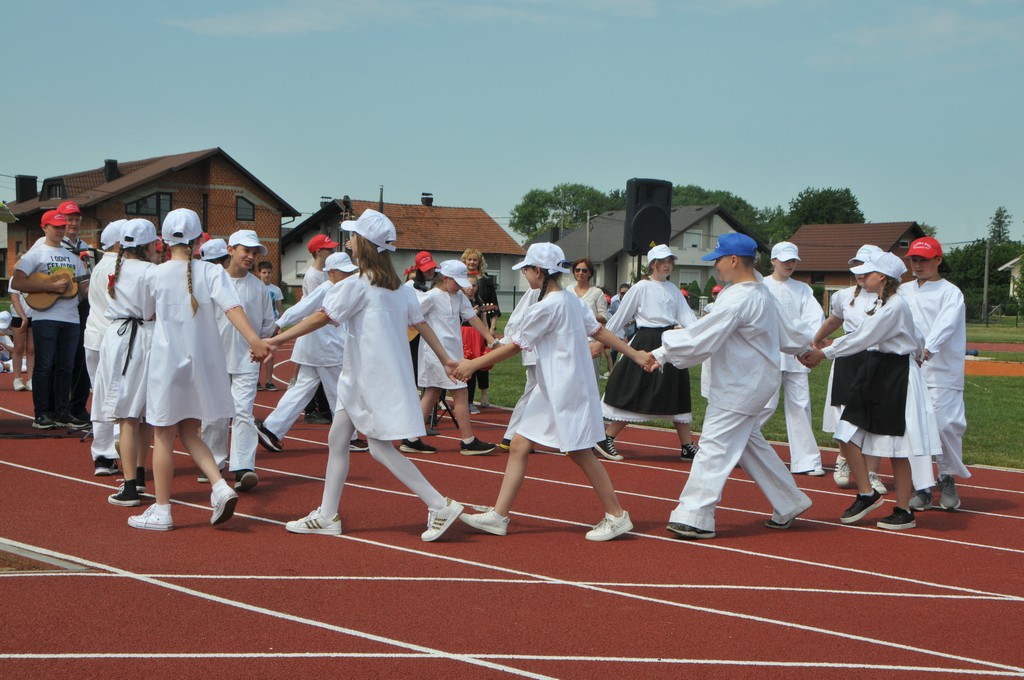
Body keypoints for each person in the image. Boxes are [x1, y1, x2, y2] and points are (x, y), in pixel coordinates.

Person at [267, 209, 464, 542]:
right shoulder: (399, 289)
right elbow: (421, 323)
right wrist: (445, 358)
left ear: (366, 245)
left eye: (354, 236)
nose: (349, 241)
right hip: (361, 378)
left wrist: (275, 339)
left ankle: (438, 504)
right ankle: (328, 514)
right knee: (337, 439)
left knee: (379, 448)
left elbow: (321, 317)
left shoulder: (359, 284)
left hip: (368, 379)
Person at [454, 243, 646, 541]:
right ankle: (499, 516)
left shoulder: (548, 306)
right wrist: (635, 354)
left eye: (528, 270)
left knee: (579, 451)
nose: (526, 276)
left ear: (539, 272)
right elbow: (598, 331)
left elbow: (515, 345)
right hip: (553, 387)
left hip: (564, 388)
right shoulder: (569, 300)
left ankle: (617, 515)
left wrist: (473, 364)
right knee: (519, 444)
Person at [646, 233, 814, 540]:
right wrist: (803, 348)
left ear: (734, 260)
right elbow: (789, 333)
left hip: (740, 384)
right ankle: (789, 501)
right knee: (751, 445)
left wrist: (662, 352)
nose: (716, 267)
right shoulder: (760, 292)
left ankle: (695, 514)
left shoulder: (742, 297)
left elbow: (703, 337)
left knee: (713, 447)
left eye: (719, 260)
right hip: (751, 382)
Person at [127, 209, 272, 531]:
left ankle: (163, 509)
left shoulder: (153, 274)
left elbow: (146, 315)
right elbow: (233, 307)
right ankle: (219, 486)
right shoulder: (212, 273)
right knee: (191, 431)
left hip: (167, 364)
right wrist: (254, 339)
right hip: (204, 364)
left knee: (164, 436)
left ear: (163, 240)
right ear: (198, 239)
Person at [800, 253, 941, 530]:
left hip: (895, 376)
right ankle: (867, 493)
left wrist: (823, 353)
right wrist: (918, 350)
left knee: (900, 449)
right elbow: (912, 335)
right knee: (845, 432)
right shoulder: (883, 302)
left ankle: (903, 510)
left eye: (868, 272)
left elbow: (865, 336)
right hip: (878, 371)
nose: (861, 276)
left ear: (884, 277)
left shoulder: (895, 305)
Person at [595, 245, 699, 462]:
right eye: (662, 261)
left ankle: (687, 446)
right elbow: (621, 316)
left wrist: (700, 332)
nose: (667, 264)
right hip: (647, 342)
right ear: (653, 264)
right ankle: (606, 437)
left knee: (676, 392)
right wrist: (601, 341)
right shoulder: (641, 287)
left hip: (670, 344)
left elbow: (688, 318)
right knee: (637, 391)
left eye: (670, 260)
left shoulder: (673, 290)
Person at [257, 252, 368, 454]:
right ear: (331, 272)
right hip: (326, 350)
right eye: (344, 272)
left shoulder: (340, 288)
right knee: (340, 392)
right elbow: (302, 307)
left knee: (302, 390)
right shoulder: (327, 288)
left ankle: (271, 428)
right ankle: (349, 437)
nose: (349, 275)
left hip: (319, 350)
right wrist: (279, 323)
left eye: (350, 271)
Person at [200, 229, 277, 492]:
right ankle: (213, 462)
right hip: (214, 357)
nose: (251, 256)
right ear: (231, 250)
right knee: (214, 415)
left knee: (243, 412)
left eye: (255, 253)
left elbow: (268, 325)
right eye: (246, 250)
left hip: (247, 360)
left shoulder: (259, 288)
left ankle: (243, 467)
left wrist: (262, 342)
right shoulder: (211, 281)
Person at [901, 237, 971, 511]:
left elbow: (946, 324)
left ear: (938, 260)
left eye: (924, 260)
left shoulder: (950, 292)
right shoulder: (903, 291)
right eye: (914, 260)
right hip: (909, 370)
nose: (918, 265)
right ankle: (922, 486)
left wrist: (928, 350)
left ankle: (947, 476)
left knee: (946, 426)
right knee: (913, 429)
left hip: (943, 372)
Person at [812, 245, 888, 495]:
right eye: (856, 265)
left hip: (876, 359)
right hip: (848, 358)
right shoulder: (843, 296)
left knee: (874, 417)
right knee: (847, 413)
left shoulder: (887, 299)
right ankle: (843, 460)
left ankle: (872, 471)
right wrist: (816, 340)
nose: (859, 271)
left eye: (864, 266)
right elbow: (835, 319)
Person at [401, 260, 498, 455]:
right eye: (457, 281)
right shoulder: (431, 297)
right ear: (445, 279)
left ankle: (411, 438)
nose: (461, 286)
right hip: (436, 354)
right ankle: (468, 441)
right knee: (459, 392)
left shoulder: (459, 296)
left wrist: (490, 339)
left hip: (453, 353)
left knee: (432, 392)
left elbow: (472, 317)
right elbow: (411, 317)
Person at [93, 219, 158, 507]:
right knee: (141, 414)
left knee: (128, 416)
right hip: (144, 337)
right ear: (149, 245)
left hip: (122, 340)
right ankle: (139, 475)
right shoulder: (152, 270)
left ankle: (131, 485)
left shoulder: (115, 268)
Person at [11, 210, 90, 430]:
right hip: (46, 317)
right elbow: (17, 281)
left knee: (66, 366)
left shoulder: (75, 257)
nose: (60, 230)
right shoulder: (35, 254)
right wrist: (49, 286)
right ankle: (41, 414)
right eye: (55, 226)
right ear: (44, 227)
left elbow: (84, 289)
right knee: (44, 366)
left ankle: (62, 412)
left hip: (71, 318)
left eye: (62, 226)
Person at [759, 242, 825, 476]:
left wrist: (806, 343)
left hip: (797, 355)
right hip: (768, 355)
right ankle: (739, 446)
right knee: (764, 404)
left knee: (800, 406)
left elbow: (814, 318)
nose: (789, 264)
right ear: (773, 261)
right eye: (785, 260)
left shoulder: (803, 289)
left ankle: (806, 460)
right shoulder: (761, 285)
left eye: (793, 261)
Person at [84, 220, 128, 476]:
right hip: (115, 339)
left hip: (94, 338)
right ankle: (123, 450)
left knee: (100, 397)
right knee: (123, 399)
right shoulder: (121, 267)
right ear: (118, 243)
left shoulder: (99, 266)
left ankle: (103, 455)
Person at [302, 233, 339, 424]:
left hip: (325, 331)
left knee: (309, 380)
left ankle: (273, 427)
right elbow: (318, 305)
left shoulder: (324, 273)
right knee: (323, 378)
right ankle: (316, 411)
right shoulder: (312, 276)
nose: (333, 251)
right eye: (329, 249)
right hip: (318, 332)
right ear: (318, 252)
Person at [570, 257, 608, 378]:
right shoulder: (567, 291)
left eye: (584, 270)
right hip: (570, 339)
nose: (580, 273)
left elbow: (604, 317)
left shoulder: (597, 292)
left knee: (590, 377)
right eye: (577, 270)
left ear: (590, 273)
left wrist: (587, 314)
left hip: (591, 340)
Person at [461, 274, 492, 413]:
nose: (471, 288)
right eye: (468, 285)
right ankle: (441, 399)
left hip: (476, 336)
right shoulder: (459, 301)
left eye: (474, 285)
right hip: (463, 335)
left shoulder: (479, 303)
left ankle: (469, 401)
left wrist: (486, 338)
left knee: (473, 369)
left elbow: (484, 323)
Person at [257, 261, 284, 391]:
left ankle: (269, 381)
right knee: (258, 353)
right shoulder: (256, 287)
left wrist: (280, 324)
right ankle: (256, 380)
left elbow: (279, 308)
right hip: (258, 324)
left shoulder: (276, 290)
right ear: (259, 274)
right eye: (264, 272)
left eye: (269, 272)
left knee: (271, 354)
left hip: (272, 324)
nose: (266, 275)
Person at [460, 248, 500, 336]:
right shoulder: (459, 279)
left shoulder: (486, 280)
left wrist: (493, 328)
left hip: (483, 326)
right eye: (469, 259)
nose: (472, 262)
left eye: (475, 260)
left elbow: (494, 306)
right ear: (464, 261)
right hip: (462, 327)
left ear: (479, 262)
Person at [7, 278, 34, 392]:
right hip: (18, 316)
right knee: (18, 348)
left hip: (34, 314)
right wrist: (23, 317)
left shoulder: (36, 277)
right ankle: (17, 379)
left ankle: (30, 379)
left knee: (32, 349)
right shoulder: (15, 278)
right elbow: (15, 299)